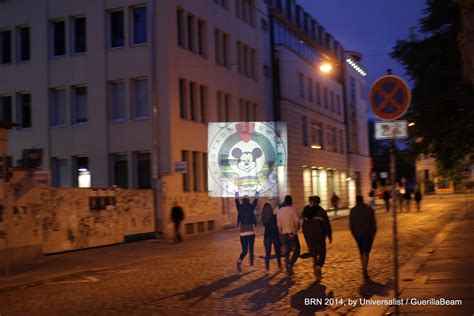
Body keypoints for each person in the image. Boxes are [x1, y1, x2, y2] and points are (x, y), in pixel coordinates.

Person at [302, 196, 332, 282]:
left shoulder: (305, 211)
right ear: (318, 202)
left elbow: (304, 226)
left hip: (309, 237)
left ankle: (316, 272)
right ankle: (318, 267)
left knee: (314, 253)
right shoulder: (321, 211)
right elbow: (326, 224)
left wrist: (306, 236)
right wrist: (329, 235)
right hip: (319, 236)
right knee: (322, 253)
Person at [349, 195, 377, 279]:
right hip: (367, 233)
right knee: (366, 251)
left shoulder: (353, 210)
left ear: (356, 201)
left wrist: (353, 233)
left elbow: (351, 223)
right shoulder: (369, 209)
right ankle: (364, 269)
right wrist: (373, 233)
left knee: (361, 251)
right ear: (362, 200)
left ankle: (363, 267)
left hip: (357, 234)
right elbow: (373, 223)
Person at [235, 191, 259, 272]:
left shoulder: (240, 208)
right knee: (251, 250)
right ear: (248, 200)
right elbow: (256, 200)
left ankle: (239, 261)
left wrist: (236, 192)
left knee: (244, 251)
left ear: (243, 200)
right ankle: (251, 266)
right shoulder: (251, 207)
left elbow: (236, 201)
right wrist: (257, 192)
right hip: (250, 232)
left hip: (242, 233)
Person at [276, 195, 300, 275]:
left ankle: (288, 267)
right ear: (291, 202)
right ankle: (290, 264)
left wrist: (280, 235)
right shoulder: (293, 210)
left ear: (285, 201)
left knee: (286, 253)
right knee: (297, 251)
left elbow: (278, 226)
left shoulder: (279, 211)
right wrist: (296, 230)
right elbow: (297, 222)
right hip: (292, 234)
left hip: (283, 234)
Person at [261, 202, 281, 271]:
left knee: (267, 253)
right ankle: (279, 266)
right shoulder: (274, 216)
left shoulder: (263, 218)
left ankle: (267, 267)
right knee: (277, 252)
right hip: (275, 236)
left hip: (267, 237)